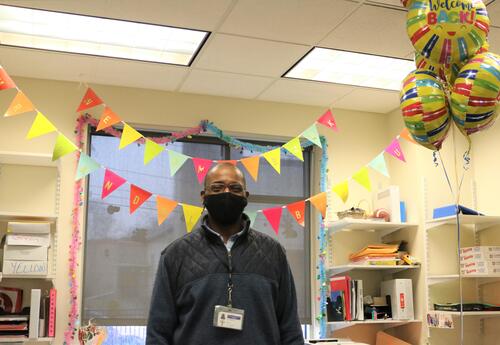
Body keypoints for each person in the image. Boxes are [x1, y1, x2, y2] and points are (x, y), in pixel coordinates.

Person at [146, 162, 304, 345]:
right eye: (217, 187)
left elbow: (290, 328)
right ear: (203, 196)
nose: (226, 193)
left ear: (246, 196)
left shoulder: (273, 253)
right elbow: (158, 333)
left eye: (235, 188)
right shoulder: (175, 255)